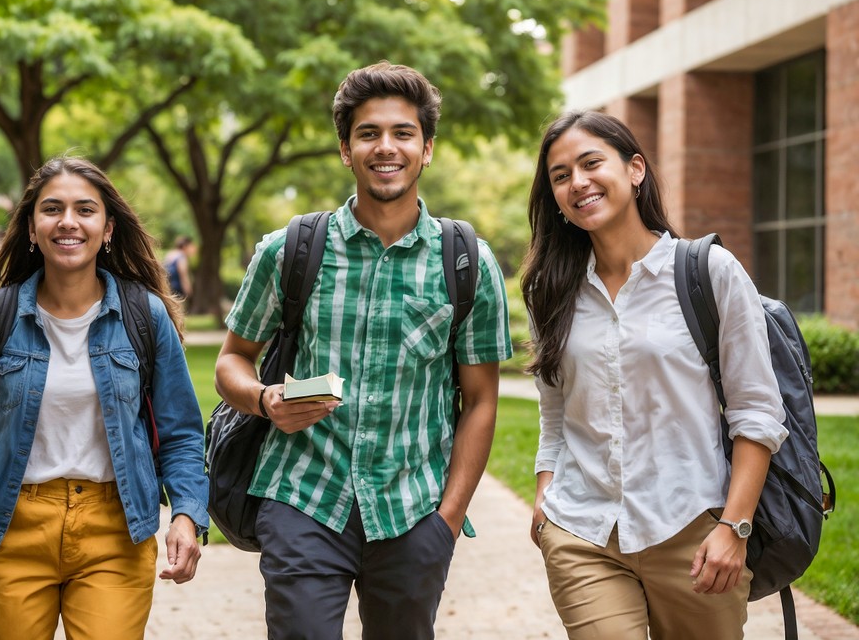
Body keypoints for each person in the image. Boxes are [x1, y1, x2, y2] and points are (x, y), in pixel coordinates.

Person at [215, 61, 512, 639]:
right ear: (345, 150)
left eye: (403, 133)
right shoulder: (289, 251)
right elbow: (232, 359)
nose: (386, 147)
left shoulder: (467, 263)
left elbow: (480, 401)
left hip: (414, 510)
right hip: (303, 495)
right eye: (368, 133)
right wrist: (264, 399)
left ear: (427, 149)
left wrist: (447, 521)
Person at [0, 157, 209, 639]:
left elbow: (181, 434)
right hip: (12, 531)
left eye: (85, 210)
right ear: (32, 228)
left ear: (107, 229)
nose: (68, 221)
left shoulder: (145, 317)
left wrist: (186, 514)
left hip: (115, 532)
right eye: (52, 209)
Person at [521, 111, 787, 639]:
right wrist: (545, 493)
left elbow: (756, 412)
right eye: (560, 175)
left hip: (694, 531)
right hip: (582, 532)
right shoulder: (549, 292)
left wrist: (735, 527)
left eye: (591, 163)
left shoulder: (709, 271)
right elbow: (555, 412)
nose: (578, 182)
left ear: (635, 169)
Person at [163, 234, 195, 300]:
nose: (192, 249)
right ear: (185, 246)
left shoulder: (170, 254)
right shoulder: (182, 257)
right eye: (190, 246)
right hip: (177, 289)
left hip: (167, 287)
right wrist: (188, 290)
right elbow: (183, 275)